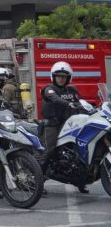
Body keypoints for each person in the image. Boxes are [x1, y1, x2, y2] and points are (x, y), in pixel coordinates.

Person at [40, 61, 86, 193]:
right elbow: (54, 98)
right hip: (52, 125)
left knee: (78, 148)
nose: (61, 79)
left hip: (70, 124)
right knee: (48, 151)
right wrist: (69, 104)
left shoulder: (72, 90)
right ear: (53, 77)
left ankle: (80, 180)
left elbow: (80, 101)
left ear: (68, 78)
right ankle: (37, 180)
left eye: (64, 77)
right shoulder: (49, 89)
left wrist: (92, 107)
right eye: (58, 76)